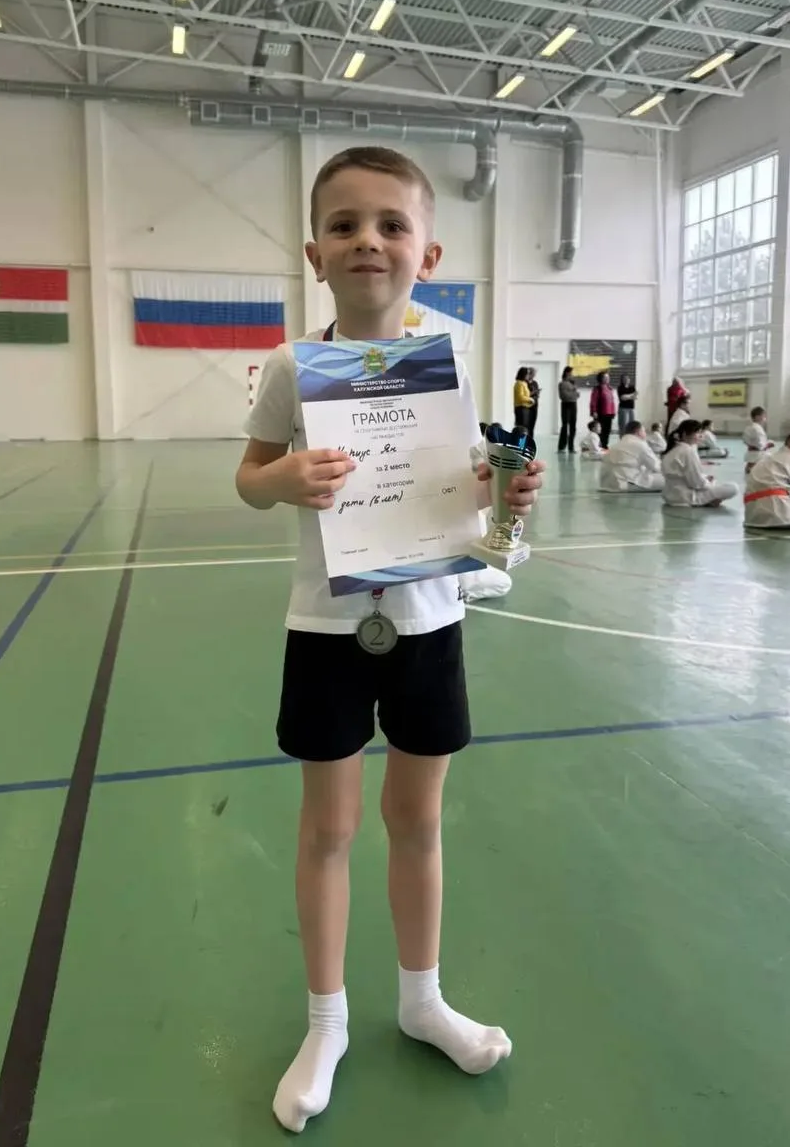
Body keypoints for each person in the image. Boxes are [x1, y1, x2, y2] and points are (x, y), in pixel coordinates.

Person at [236, 145, 545, 1134]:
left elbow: (471, 490)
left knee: (417, 821)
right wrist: (281, 478)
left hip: (428, 623)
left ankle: (421, 1001)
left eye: (391, 224)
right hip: (325, 626)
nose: (367, 240)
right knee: (327, 830)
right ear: (314, 253)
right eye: (344, 225)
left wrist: (507, 495)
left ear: (427, 252)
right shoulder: (293, 365)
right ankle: (324, 1023)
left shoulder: (448, 359)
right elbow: (248, 475)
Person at [661, 419, 738, 508]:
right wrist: (709, 483)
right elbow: (696, 483)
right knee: (733, 488)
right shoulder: (688, 451)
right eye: (697, 433)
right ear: (685, 434)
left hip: (670, 496)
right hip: (686, 498)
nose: (700, 436)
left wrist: (705, 478)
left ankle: (711, 499)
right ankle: (709, 500)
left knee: (709, 481)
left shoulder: (672, 450)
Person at [598, 421, 664, 493]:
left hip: (607, 484)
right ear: (638, 432)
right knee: (669, 480)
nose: (645, 434)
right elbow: (656, 467)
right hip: (626, 483)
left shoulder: (615, 445)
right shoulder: (640, 444)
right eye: (644, 431)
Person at [589, 371, 617, 449]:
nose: (608, 378)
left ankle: (605, 445)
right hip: (600, 413)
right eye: (605, 377)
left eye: (608, 377)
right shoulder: (597, 389)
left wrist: (613, 412)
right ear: (601, 379)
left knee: (607, 431)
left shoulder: (610, 388)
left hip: (609, 413)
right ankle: (598, 446)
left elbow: (612, 402)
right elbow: (593, 401)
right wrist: (594, 411)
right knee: (599, 431)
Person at [557, 365, 578, 453]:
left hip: (573, 404)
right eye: (571, 373)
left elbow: (576, 394)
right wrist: (574, 394)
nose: (572, 375)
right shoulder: (562, 384)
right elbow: (564, 396)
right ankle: (562, 447)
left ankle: (571, 446)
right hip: (566, 405)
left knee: (573, 426)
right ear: (567, 373)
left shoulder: (572, 383)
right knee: (565, 426)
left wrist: (574, 394)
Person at [526, 368, 540, 433]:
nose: (534, 375)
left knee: (532, 425)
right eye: (533, 373)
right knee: (526, 425)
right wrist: (533, 393)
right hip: (527, 406)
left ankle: (531, 438)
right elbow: (525, 395)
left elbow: (537, 394)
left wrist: (536, 394)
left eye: (535, 374)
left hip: (534, 406)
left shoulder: (535, 383)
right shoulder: (524, 382)